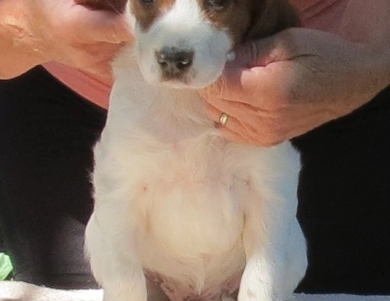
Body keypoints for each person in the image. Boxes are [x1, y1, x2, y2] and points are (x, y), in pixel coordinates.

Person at [0, 0, 389, 295]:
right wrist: (23, 22)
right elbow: (116, 203)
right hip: (63, 102)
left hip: (333, 69)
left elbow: (272, 202)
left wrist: (376, 59)